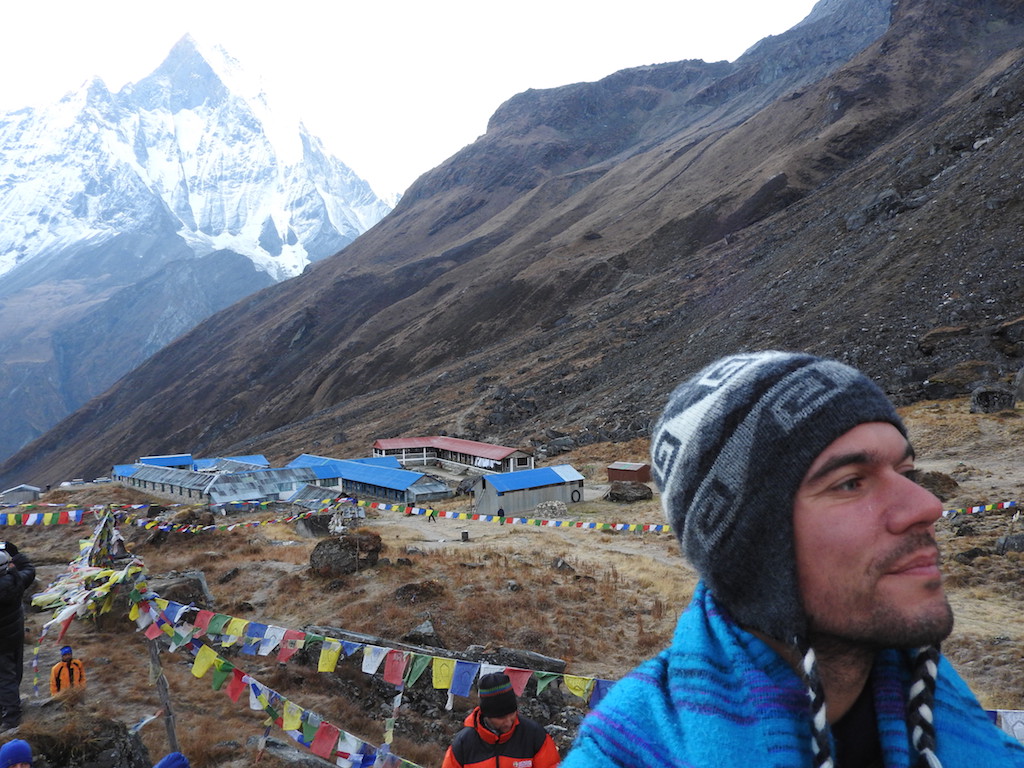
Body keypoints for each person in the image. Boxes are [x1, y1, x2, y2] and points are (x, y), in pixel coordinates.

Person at [563, 351, 1024, 767]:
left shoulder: (969, 738)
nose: (927, 506)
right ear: (754, 550)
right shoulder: (624, 755)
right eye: (850, 482)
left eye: (907, 471)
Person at [442, 672, 560, 768]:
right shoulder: (463, 743)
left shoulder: (535, 735)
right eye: (500, 718)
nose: (508, 722)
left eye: (512, 714)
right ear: (486, 715)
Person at [0, 541, 35, 731]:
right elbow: (29, 569)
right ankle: (10, 705)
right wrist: (14, 554)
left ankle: (11, 717)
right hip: (15, 634)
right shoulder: (17, 580)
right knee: (15, 671)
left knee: (4, 677)